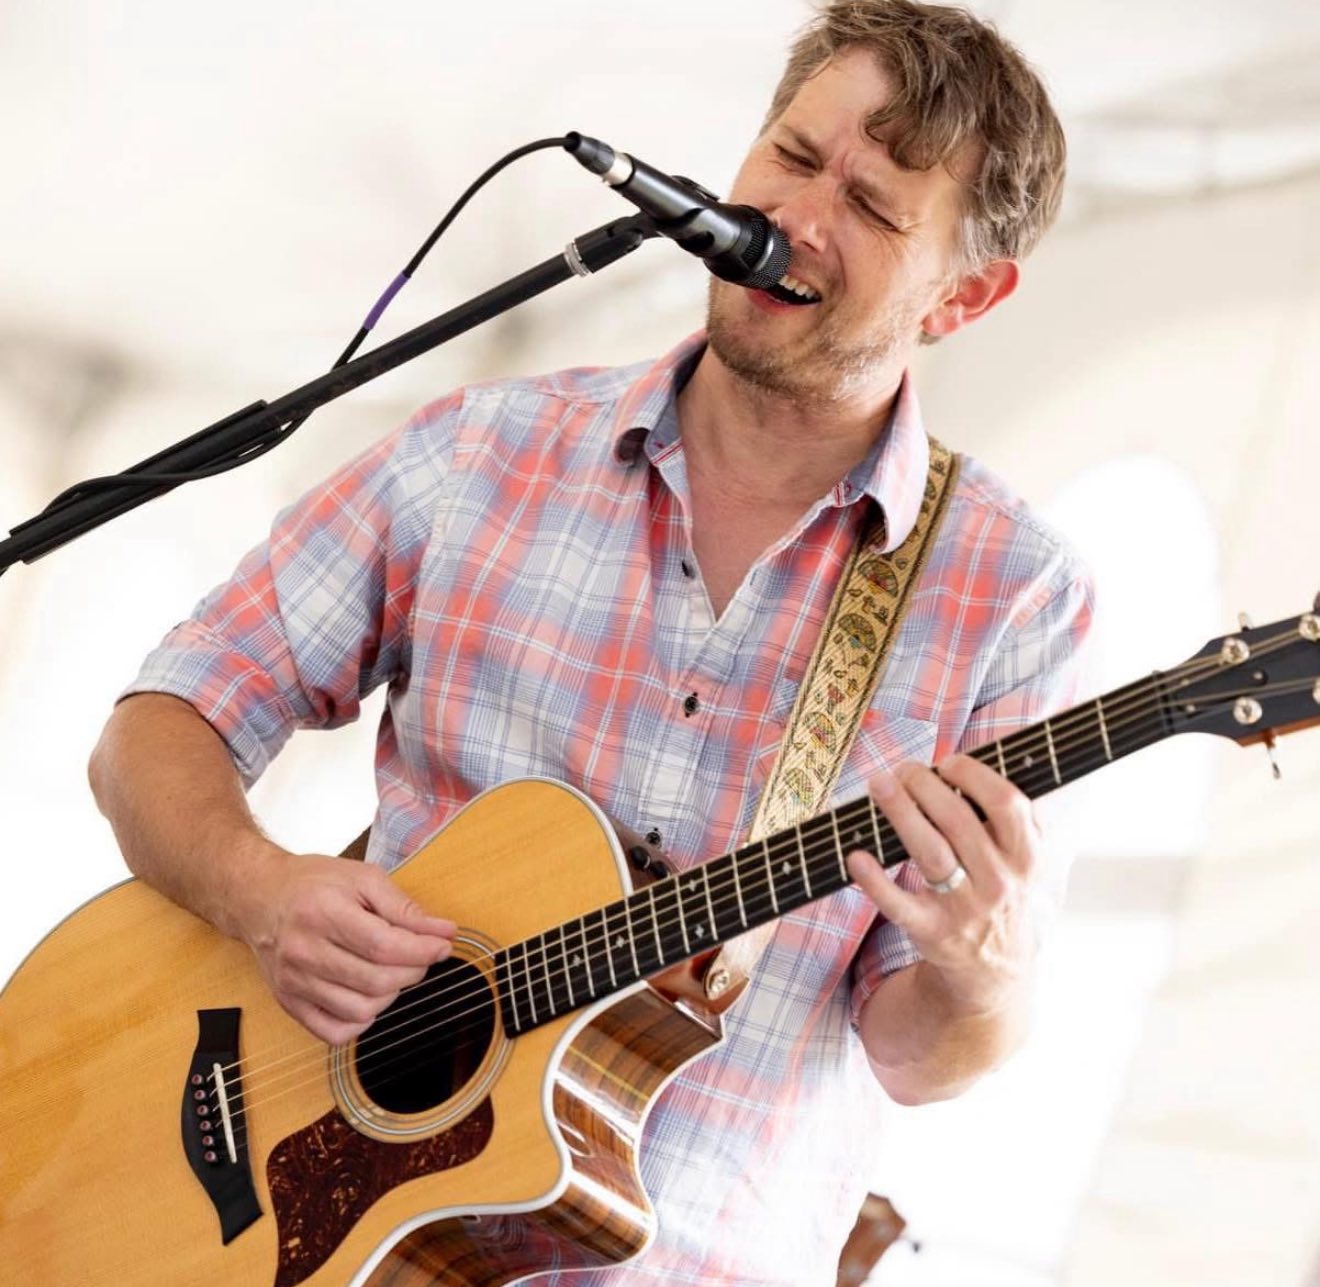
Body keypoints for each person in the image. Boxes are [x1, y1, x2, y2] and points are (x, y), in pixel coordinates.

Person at [88, 2, 1093, 1282]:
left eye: (878, 209)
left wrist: (983, 972)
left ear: (967, 296)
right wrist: (257, 889)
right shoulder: (478, 453)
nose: (798, 218)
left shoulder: (1012, 593)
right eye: (790, 156)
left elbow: (913, 1053)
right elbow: (157, 724)